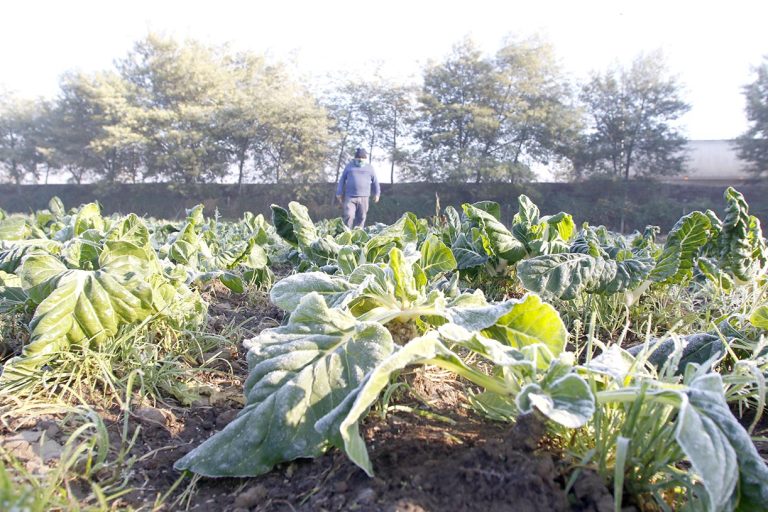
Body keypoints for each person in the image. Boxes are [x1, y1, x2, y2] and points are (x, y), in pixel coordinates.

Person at [336, 147, 380, 229]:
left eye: (362, 157)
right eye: (358, 157)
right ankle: (346, 235)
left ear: (365, 158)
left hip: (364, 197)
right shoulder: (349, 167)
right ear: (355, 157)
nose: (360, 159)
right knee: (349, 215)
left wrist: (377, 194)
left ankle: (357, 236)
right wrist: (339, 192)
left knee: (362, 217)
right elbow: (342, 180)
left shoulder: (370, 168)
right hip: (350, 197)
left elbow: (375, 182)